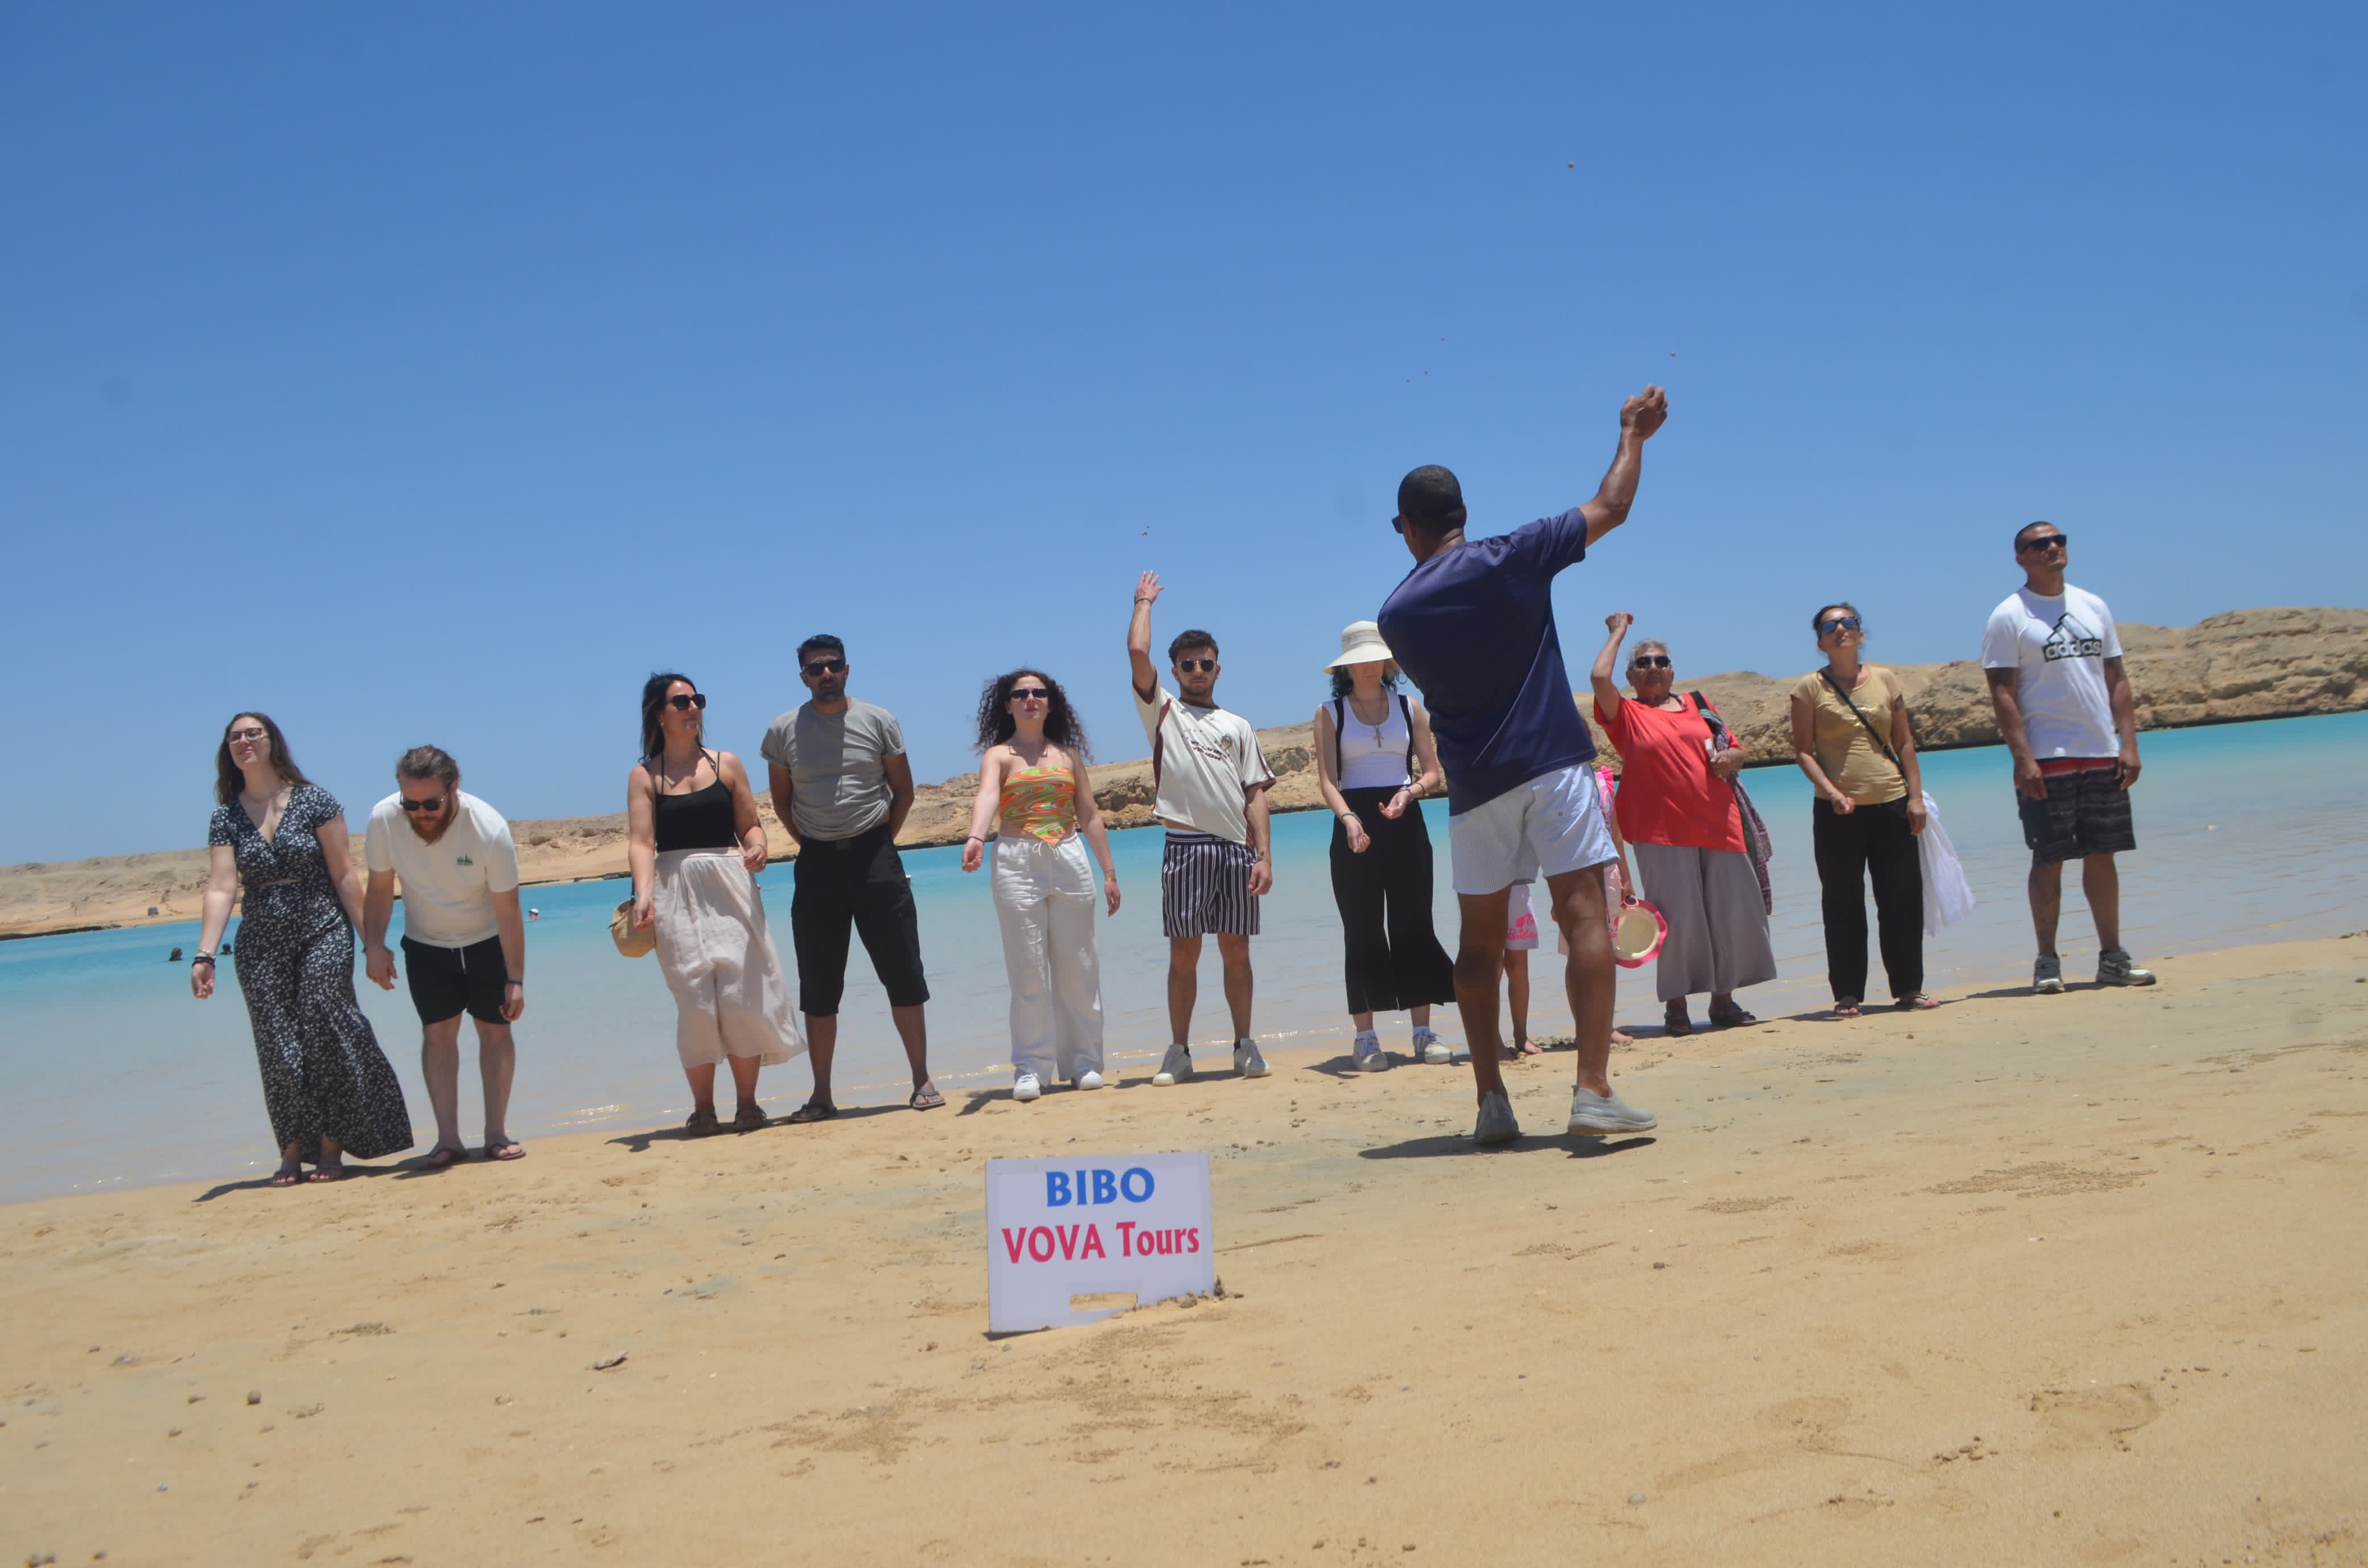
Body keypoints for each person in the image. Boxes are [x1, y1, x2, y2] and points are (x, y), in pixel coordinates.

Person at [1375, 386, 1669, 1146]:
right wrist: (1633, 433)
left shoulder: (1396, 615)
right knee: (1584, 915)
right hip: (1553, 764)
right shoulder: (1518, 554)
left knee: (1478, 943)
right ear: (1464, 514)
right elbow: (1613, 504)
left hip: (1476, 786)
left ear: (1406, 527)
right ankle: (1593, 1088)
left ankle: (1491, 1099)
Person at [191, 713, 414, 1183]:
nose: (244, 741)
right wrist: (205, 954)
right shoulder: (225, 816)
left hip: (323, 928)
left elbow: (344, 875)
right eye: (235, 737)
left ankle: (332, 1146)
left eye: (254, 733)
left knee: (327, 1026)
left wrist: (373, 943)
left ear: (274, 742)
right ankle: (292, 1148)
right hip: (261, 941)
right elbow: (221, 886)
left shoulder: (315, 800)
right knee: (277, 1045)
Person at [761, 636, 942, 1117]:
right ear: (803, 676)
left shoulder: (878, 720)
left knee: (903, 972)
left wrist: (881, 841)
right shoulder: (783, 730)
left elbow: (902, 790)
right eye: (815, 668)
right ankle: (821, 1094)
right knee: (819, 985)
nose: (825, 674)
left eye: (833, 665)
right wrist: (812, 841)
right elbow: (781, 801)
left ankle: (922, 1080)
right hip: (817, 864)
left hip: (876, 858)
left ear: (847, 669)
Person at [1982, 522, 2156, 992]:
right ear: (2021, 558)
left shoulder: (2093, 605)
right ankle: (2047, 962)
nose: (2053, 548)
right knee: (2049, 857)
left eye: (2059, 540)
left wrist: (2129, 743)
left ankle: (2112, 958)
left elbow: (2116, 677)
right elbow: (2002, 692)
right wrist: (2023, 759)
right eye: (2040, 544)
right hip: (2047, 754)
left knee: (2103, 853)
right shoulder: (2009, 615)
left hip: (2101, 751)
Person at [627, 674, 803, 1134]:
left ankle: (748, 1105)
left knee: (741, 997)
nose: (692, 707)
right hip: (674, 890)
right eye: (681, 701)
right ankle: (703, 1110)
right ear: (659, 714)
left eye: (697, 700)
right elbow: (642, 842)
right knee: (697, 1004)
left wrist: (759, 847)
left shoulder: (727, 764)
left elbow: (751, 824)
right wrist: (643, 894)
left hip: (731, 885)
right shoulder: (644, 775)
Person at [1590, 613, 1777, 1035]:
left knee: (1728, 912)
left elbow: (1736, 752)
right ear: (1632, 676)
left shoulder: (1700, 705)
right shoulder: (1628, 715)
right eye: (1643, 663)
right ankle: (1676, 1007)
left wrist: (1731, 759)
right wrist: (1618, 632)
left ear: (1673, 670)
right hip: (1660, 830)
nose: (1653, 668)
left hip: (1720, 822)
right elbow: (1599, 676)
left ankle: (1723, 1002)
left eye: (1660, 661)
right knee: (1675, 918)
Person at [1127, 572, 1277, 1086]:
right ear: (1175, 670)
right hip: (1185, 848)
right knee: (1183, 953)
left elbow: (1255, 791)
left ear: (1218, 668)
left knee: (1237, 951)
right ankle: (1179, 1050)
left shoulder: (1238, 725)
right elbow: (1136, 652)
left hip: (1237, 849)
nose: (1197, 670)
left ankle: (1244, 1044)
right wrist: (1143, 602)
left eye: (1205, 662)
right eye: (1187, 664)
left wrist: (1266, 856)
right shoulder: (1163, 710)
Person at [361, 746, 527, 1167]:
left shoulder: (488, 828)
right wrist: (375, 944)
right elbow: (380, 887)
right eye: (411, 803)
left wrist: (516, 979)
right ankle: (448, 1139)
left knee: (494, 1032)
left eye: (431, 803)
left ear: (454, 789)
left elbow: (508, 910)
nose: (420, 812)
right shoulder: (384, 819)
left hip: (486, 939)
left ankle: (495, 1134)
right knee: (437, 1034)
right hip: (426, 942)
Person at [961, 670, 1123, 1100]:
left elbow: (1088, 814)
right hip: (1017, 860)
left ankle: (1085, 1062)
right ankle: (1031, 1067)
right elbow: (988, 797)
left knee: (1080, 966)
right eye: (1021, 694)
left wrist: (1108, 872)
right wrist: (977, 836)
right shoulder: (999, 755)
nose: (1031, 698)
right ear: (1008, 704)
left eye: (1039, 693)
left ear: (1051, 703)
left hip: (1069, 857)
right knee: (1028, 969)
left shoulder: (1068, 755)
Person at [1311, 620, 1454, 1072]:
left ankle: (1422, 1032)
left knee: (1415, 923)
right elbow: (1328, 782)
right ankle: (1366, 1037)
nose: (1369, 666)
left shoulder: (1411, 708)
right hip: (1354, 826)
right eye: (1360, 659)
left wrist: (1410, 792)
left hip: (1405, 817)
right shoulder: (1329, 714)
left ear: (1387, 661)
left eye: (1376, 656)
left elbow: (1432, 773)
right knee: (1363, 929)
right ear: (1347, 667)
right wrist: (1349, 818)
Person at [1788, 604, 1934, 1015]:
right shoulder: (1808, 688)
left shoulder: (1887, 679)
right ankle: (1848, 993)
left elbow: (1905, 742)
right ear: (1820, 642)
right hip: (1838, 813)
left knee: (1902, 899)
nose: (1841, 630)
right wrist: (1832, 791)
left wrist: (1916, 797)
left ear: (1861, 634)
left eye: (1848, 623)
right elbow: (1803, 751)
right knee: (1842, 901)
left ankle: (1909, 989)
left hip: (1892, 803)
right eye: (1830, 626)